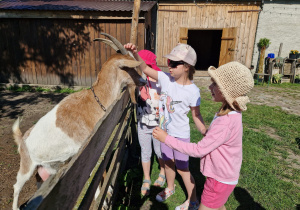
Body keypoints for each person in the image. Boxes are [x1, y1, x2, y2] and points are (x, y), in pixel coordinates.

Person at [152, 61, 254, 210]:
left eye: (215, 84)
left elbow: (198, 150)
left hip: (219, 180)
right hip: (224, 177)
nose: (210, 87)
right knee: (218, 206)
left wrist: (166, 138)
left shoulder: (225, 121)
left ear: (228, 91)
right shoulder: (231, 113)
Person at [124, 43, 206, 210]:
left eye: (174, 63)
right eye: (169, 62)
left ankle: (194, 200)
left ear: (187, 67)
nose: (170, 66)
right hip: (164, 134)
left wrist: (205, 131)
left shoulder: (193, 91)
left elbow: (196, 116)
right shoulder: (165, 79)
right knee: (168, 163)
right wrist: (134, 53)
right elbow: (145, 68)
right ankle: (170, 187)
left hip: (180, 136)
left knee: (183, 169)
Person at [136, 50, 166, 196]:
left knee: (159, 150)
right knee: (145, 151)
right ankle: (146, 177)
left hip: (158, 124)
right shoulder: (137, 79)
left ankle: (163, 171)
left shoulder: (161, 79)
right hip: (143, 122)